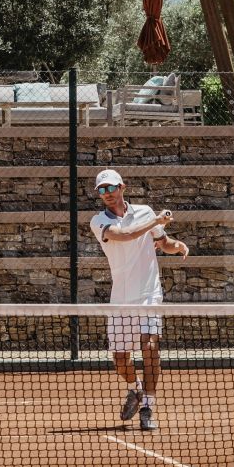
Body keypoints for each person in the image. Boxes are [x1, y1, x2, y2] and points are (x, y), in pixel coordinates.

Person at [90, 168, 188, 432]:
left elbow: (163, 242)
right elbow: (126, 236)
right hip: (121, 300)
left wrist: (176, 245)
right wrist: (156, 220)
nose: (107, 193)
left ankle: (148, 408)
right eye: (102, 190)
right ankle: (136, 389)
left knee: (151, 346)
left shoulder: (145, 212)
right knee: (121, 360)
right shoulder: (98, 221)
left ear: (122, 187)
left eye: (112, 188)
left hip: (149, 294)